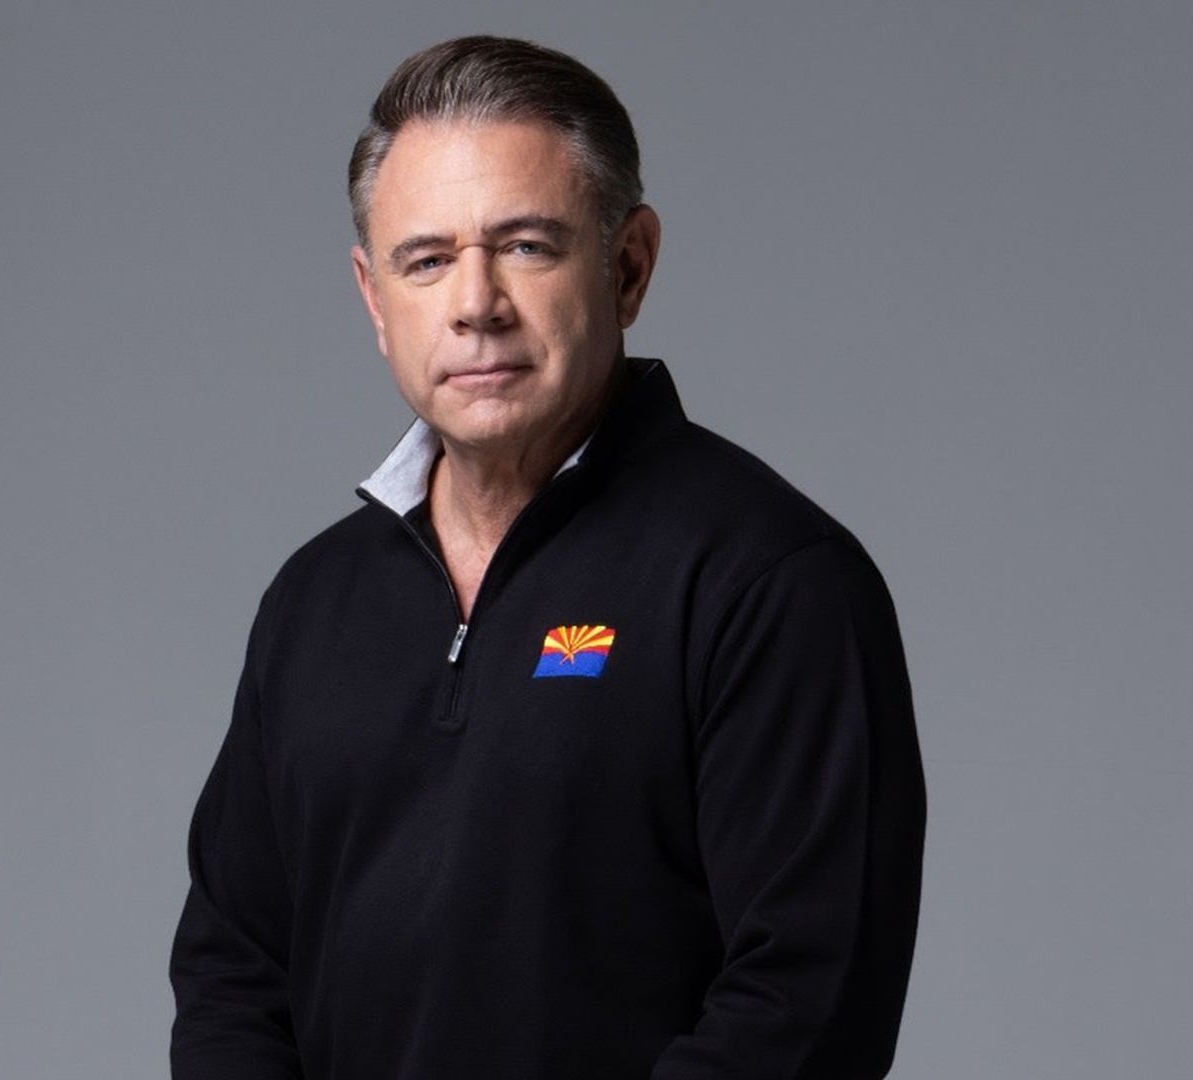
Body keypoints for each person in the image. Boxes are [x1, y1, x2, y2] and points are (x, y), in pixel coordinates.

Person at [168, 35, 925, 1080]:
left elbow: (807, 1007)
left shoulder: (769, 581)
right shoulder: (314, 602)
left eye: (525, 245)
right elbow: (232, 971)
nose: (476, 303)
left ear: (629, 265)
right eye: (426, 261)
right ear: (374, 300)